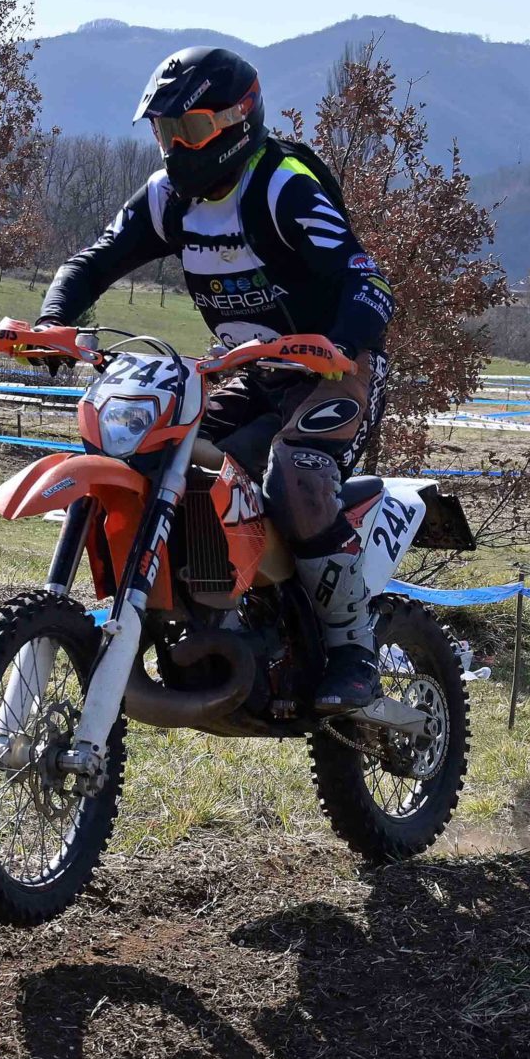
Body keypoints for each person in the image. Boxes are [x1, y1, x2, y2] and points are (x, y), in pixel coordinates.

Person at [33, 46, 397, 710]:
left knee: (298, 475)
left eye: (191, 129)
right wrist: (53, 319)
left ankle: (353, 650)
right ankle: (206, 614)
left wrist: (343, 344)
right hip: (251, 373)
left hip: (332, 371)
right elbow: (94, 260)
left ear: (238, 121)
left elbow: (365, 277)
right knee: (161, 454)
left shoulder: (281, 186)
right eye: (165, 132)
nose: (176, 147)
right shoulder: (168, 198)